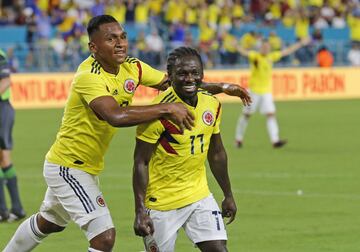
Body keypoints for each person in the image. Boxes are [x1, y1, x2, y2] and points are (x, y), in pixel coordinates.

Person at [4, 15, 250, 252]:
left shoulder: (132, 68)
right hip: (67, 166)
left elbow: (176, 80)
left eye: (122, 37)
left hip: (87, 166)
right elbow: (115, 116)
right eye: (111, 39)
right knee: (104, 237)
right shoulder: (88, 77)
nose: (120, 43)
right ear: (94, 47)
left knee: (50, 221)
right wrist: (166, 108)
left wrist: (222, 87)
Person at [133, 47, 237, 252]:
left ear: (202, 74)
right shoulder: (158, 112)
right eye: (182, 74)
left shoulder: (212, 104)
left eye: (194, 73)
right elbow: (140, 162)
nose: (190, 78)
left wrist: (228, 194)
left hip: (199, 196)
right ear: (170, 76)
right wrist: (140, 211)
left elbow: (216, 153)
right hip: (162, 203)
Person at [235, 38, 310, 148]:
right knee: (247, 115)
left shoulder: (271, 56)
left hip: (266, 92)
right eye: (264, 47)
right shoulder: (255, 56)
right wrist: (236, 46)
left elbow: (287, 51)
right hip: (254, 91)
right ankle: (238, 139)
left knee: (271, 114)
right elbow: (244, 52)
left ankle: (275, 140)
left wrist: (300, 44)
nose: (265, 49)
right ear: (260, 47)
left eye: (267, 47)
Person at [0, 48, 26, 222]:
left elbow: (6, 81)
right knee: (3, 159)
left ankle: (4, 210)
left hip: (2, 108)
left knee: (3, 157)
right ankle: (14, 209)